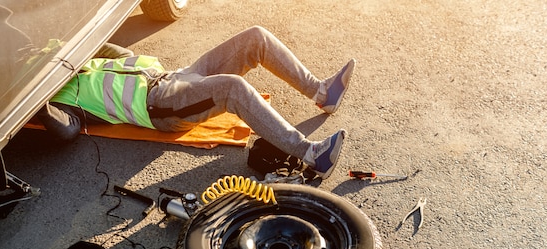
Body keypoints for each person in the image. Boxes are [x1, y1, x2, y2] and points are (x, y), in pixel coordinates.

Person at [37, 26, 355, 179]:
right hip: (160, 104)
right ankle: (311, 155)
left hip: (177, 76)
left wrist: (71, 48)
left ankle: (321, 93)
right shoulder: (58, 98)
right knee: (233, 89)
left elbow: (119, 54)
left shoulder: (72, 57)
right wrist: (40, 101)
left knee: (255, 38)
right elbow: (67, 130)